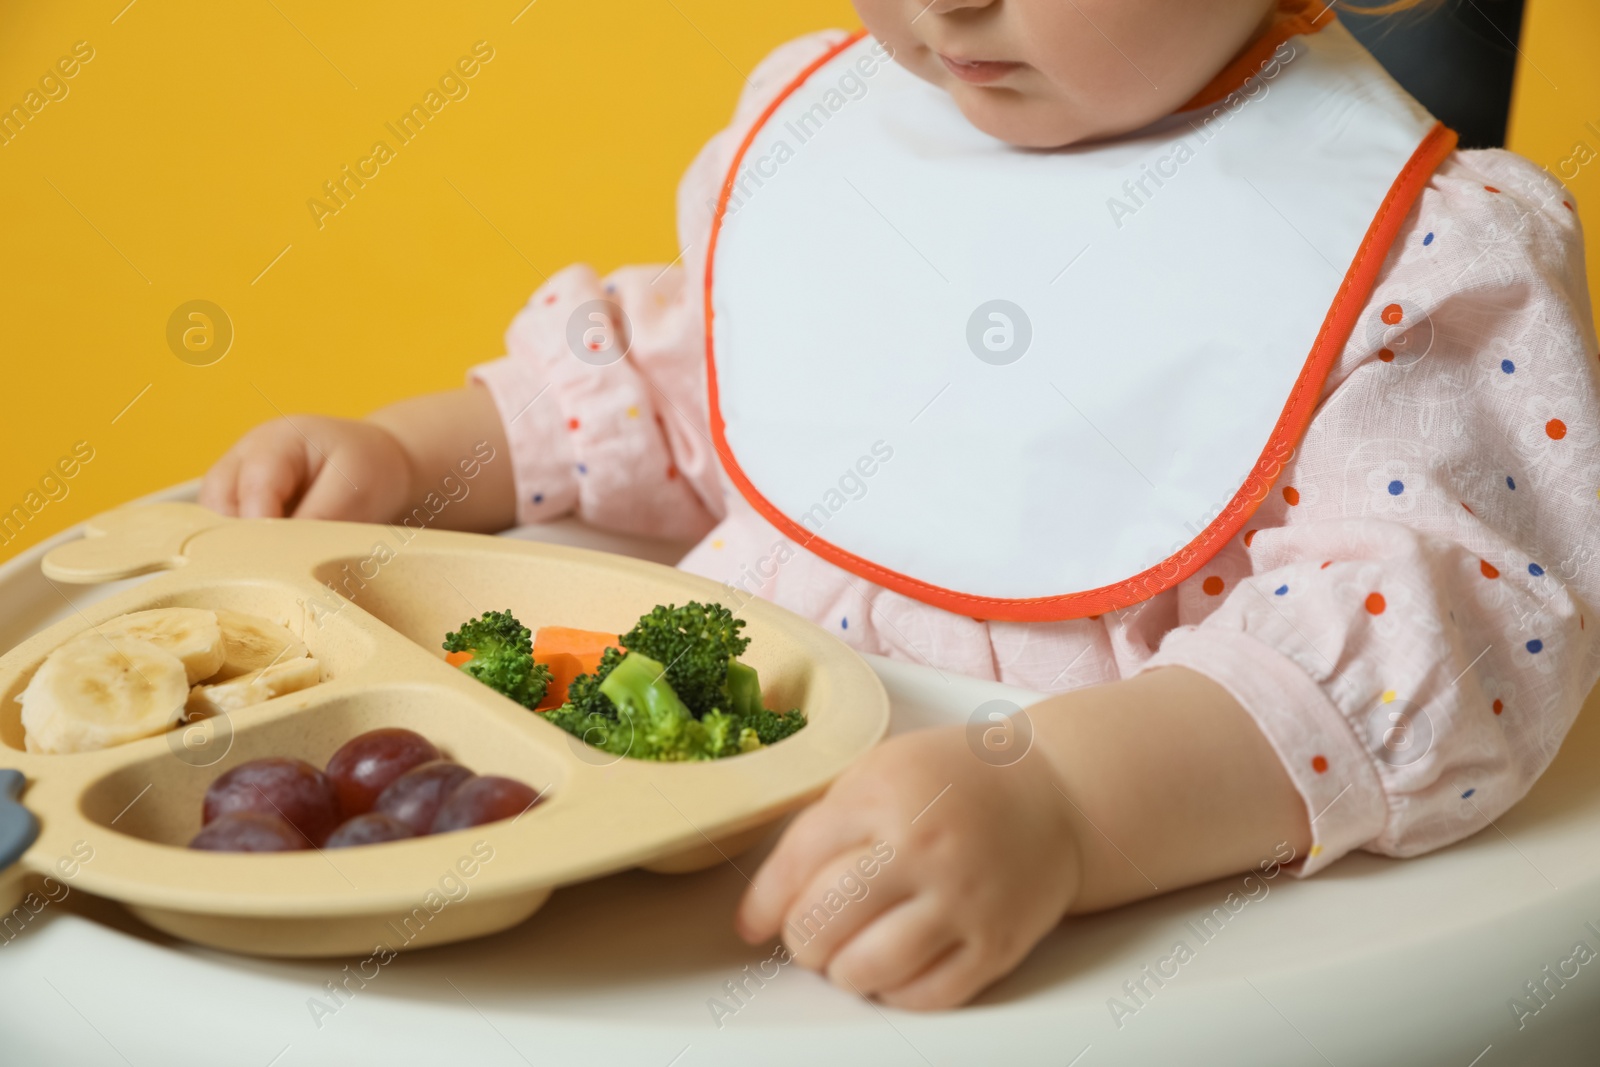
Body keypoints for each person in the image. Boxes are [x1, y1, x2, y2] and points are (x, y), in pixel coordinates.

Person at [200, 0, 1599, 1010]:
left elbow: (1434, 643)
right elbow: (722, 390)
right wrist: (420, 453)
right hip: (659, 832)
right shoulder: (859, 133)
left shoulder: (1416, 262)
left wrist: (1063, 808)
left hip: (1046, 947)